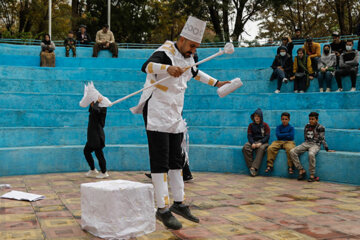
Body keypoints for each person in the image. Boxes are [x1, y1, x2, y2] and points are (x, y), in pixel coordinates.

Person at [130, 16, 230, 230]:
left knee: (177, 159)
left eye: (196, 48)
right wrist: (167, 69)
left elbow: (196, 72)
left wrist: (217, 83)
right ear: (182, 39)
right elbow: (146, 67)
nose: (193, 51)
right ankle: (162, 208)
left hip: (175, 112)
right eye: (192, 46)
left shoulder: (190, 57)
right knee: (160, 160)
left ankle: (179, 203)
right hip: (156, 110)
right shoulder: (165, 52)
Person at [290, 112, 335, 182]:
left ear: (317, 120)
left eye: (313, 119)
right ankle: (301, 170)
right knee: (292, 151)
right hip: (306, 143)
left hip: (315, 145)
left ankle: (312, 175)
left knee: (311, 154)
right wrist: (305, 145)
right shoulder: (307, 126)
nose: (311, 121)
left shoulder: (321, 127)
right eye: (310, 119)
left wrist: (327, 149)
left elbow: (322, 138)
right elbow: (305, 136)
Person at [84, 96, 109, 179]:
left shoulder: (101, 110)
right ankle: (93, 169)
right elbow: (92, 109)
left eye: (92, 102)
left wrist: (97, 102)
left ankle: (104, 172)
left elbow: (95, 110)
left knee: (99, 154)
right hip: (91, 137)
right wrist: (94, 103)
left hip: (97, 136)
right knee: (86, 151)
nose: (91, 104)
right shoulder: (94, 109)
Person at [242, 108, 270, 177]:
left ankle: (254, 168)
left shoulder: (265, 125)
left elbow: (267, 136)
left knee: (261, 149)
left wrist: (260, 142)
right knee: (245, 147)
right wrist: (252, 143)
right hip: (253, 141)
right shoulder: (251, 125)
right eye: (255, 116)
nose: (256, 118)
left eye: (258, 116)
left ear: (261, 117)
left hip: (263, 142)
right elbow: (249, 136)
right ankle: (251, 167)